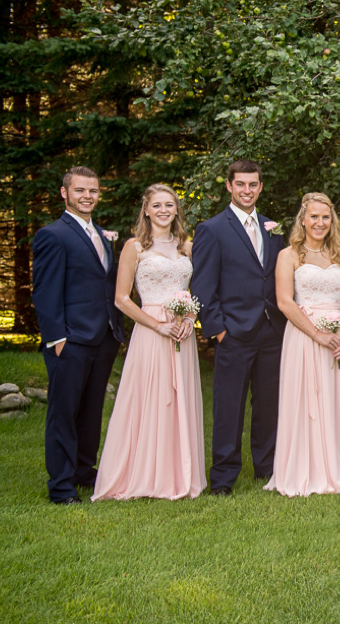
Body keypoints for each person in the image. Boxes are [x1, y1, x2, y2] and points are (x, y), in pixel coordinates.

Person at [93, 184, 205, 501]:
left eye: (169, 204)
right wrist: (158, 325)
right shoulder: (135, 247)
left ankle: (179, 473)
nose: (163, 210)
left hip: (182, 331)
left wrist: (187, 320)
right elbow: (121, 299)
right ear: (146, 209)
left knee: (179, 398)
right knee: (152, 398)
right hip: (151, 330)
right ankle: (144, 473)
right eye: (157, 205)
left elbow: (198, 291)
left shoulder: (188, 246)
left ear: (176, 209)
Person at [32, 166, 126, 504]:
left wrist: (115, 331)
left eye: (93, 191)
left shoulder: (101, 234)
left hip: (102, 337)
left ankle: (84, 472)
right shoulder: (52, 234)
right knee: (64, 413)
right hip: (70, 340)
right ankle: (61, 485)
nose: (87, 196)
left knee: (91, 410)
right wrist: (56, 338)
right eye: (80, 190)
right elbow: (44, 293)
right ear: (64, 193)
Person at [191, 159, 286, 496]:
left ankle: (267, 468)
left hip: (271, 330)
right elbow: (202, 285)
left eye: (254, 184)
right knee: (229, 406)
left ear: (261, 187)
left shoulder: (273, 228)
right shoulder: (211, 229)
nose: (248, 190)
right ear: (229, 186)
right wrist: (217, 329)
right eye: (241, 184)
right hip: (233, 332)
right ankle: (223, 476)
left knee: (268, 405)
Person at [265, 193, 340, 496]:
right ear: (303, 220)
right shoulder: (289, 255)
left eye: (325, 217)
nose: (320, 222)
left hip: (339, 338)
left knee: (337, 401)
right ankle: (305, 469)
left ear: (331, 220)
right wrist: (317, 334)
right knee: (307, 402)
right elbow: (285, 302)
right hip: (305, 337)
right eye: (314, 216)